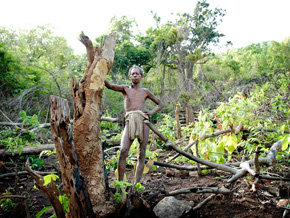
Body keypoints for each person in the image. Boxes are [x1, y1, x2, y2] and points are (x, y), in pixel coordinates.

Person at [105, 66, 163, 183]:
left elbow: (160, 103)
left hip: (143, 121)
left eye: (137, 74)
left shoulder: (145, 91)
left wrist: (151, 112)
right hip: (130, 120)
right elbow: (110, 86)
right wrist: (100, 73)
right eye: (133, 74)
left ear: (141, 77)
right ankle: (120, 184)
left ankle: (136, 184)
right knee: (123, 150)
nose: (135, 75)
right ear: (130, 76)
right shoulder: (125, 89)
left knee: (142, 153)